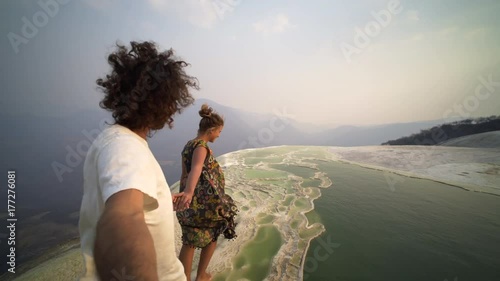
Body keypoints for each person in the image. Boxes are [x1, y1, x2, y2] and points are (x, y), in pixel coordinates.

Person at [78, 40, 198, 281]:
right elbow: (124, 217)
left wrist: (163, 200)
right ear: (165, 103)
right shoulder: (125, 146)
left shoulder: (117, 140)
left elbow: (130, 201)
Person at [174, 104, 238, 281]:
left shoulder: (189, 145)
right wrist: (188, 193)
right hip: (204, 203)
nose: (219, 135)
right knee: (214, 232)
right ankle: (201, 275)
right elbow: (195, 169)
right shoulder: (202, 147)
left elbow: (184, 173)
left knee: (189, 241)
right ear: (211, 130)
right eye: (219, 132)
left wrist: (184, 195)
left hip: (191, 201)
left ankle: (184, 278)